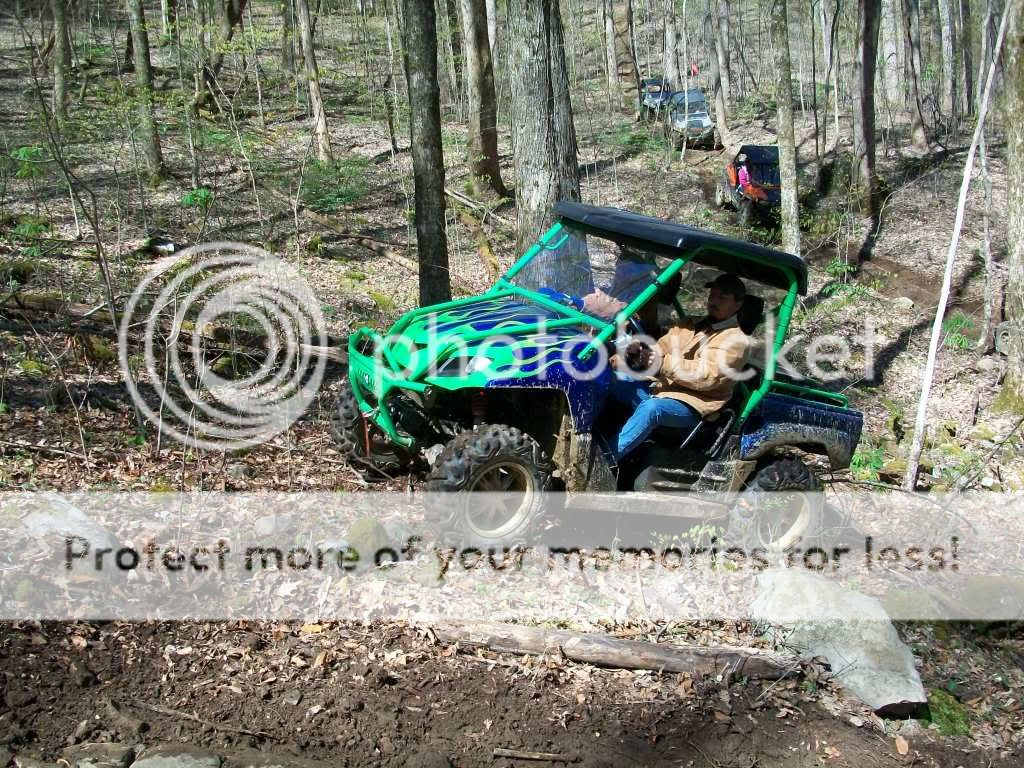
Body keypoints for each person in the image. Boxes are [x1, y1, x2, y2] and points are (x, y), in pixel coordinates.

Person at [607, 274, 751, 462]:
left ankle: (602, 462)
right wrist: (635, 353)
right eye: (712, 295)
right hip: (660, 388)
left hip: (694, 403)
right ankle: (585, 440)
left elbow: (706, 376)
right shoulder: (689, 324)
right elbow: (660, 348)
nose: (713, 301)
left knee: (652, 409)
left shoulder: (736, 341)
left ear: (738, 305)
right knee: (608, 379)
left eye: (722, 297)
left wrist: (660, 363)